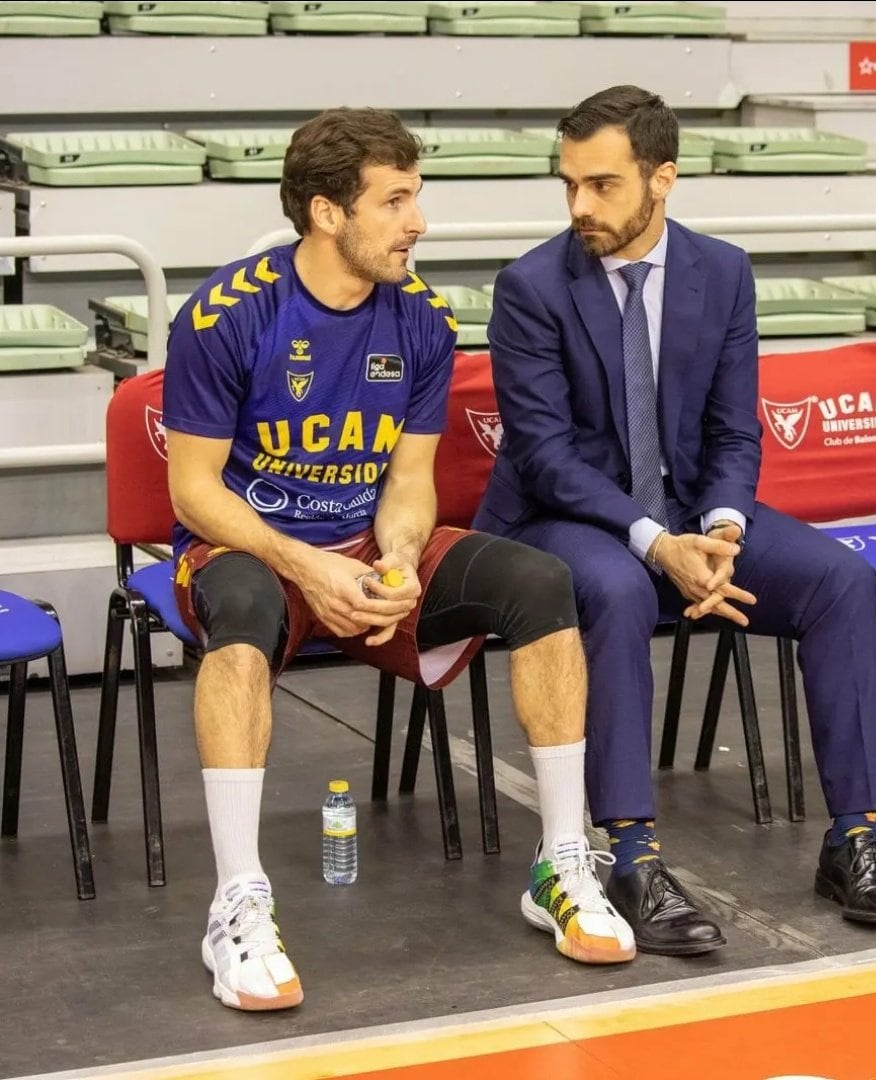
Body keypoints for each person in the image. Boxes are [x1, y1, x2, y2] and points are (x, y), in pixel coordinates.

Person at [162, 106, 635, 1013]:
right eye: (395, 201)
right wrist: (306, 564)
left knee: (540, 582)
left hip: (364, 547)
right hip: (248, 545)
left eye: (416, 197)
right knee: (246, 611)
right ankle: (238, 904)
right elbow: (194, 493)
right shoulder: (225, 315)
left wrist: (402, 554)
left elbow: (411, 478)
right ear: (327, 213)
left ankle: (563, 863)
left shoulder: (420, 318)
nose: (417, 221)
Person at [473, 85, 876, 957]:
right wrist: (656, 543)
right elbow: (546, 455)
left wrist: (721, 533)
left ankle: (854, 839)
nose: (578, 206)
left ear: (662, 178)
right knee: (615, 590)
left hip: (688, 514)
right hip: (564, 516)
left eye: (601, 185)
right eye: (567, 185)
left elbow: (733, 428)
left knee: (840, 580)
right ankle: (631, 857)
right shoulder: (531, 287)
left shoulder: (723, 272)